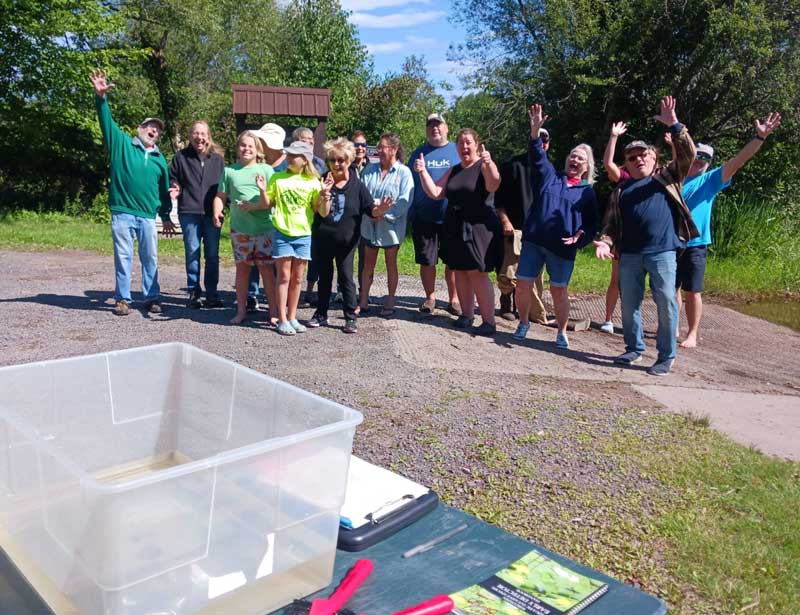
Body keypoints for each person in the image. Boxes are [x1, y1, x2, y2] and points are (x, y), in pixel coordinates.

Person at [595, 96, 698, 376]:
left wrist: (675, 125)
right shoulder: (622, 191)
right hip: (629, 255)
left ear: (654, 159)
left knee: (665, 301)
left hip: (663, 252)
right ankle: (634, 349)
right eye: (632, 157)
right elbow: (611, 225)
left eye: (644, 155)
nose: (638, 159)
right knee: (629, 305)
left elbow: (688, 154)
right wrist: (605, 243)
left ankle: (666, 356)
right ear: (625, 164)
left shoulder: (668, 177)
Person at [676, 112, 781, 348]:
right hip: (672, 241)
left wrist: (759, 138)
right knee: (672, 288)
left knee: (693, 291)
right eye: (697, 155)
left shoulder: (712, 179)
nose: (700, 160)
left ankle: (692, 333)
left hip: (696, 242)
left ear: (710, 162)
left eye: (705, 157)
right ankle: (673, 326)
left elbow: (739, 160)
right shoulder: (676, 176)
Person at [89, 69, 176, 317]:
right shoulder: (122, 144)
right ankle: (123, 299)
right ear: (140, 128)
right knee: (124, 257)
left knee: (150, 258)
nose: (154, 131)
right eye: (150, 126)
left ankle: (151, 298)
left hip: (148, 216)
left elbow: (163, 191)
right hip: (123, 213)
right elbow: (106, 121)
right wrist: (100, 98)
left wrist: (166, 215)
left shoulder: (160, 159)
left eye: (158, 130)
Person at [513, 105, 598, 348]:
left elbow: (592, 225)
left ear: (586, 167)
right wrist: (534, 131)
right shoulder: (551, 177)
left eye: (581, 158)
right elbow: (538, 157)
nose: (575, 159)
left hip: (561, 249)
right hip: (534, 242)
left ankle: (561, 332)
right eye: (573, 155)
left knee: (559, 291)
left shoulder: (587, 192)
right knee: (522, 286)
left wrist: (580, 237)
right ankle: (523, 323)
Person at [415, 128, 502, 335]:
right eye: (461, 143)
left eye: (468, 142)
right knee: (460, 272)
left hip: (478, 228)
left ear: (476, 145)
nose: (464, 147)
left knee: (477, 273)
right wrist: (422, 172)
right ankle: (466, 315)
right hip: (455, 226)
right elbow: (436, 192)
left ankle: (489, 321)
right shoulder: (454, 169)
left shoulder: (483, 165)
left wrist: (489, 164)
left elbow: (493, 184)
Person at [308, 138, 384, 334]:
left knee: (346, 277)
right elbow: (318, 211)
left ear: (349, 160)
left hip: (347, 242)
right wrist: (324, 194)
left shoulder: (357, 185)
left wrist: (380, 210)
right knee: (324, 276)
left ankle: (350, 317)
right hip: (323, 239)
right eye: (332, 160)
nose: (336, 164)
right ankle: (321, 314)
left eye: (341, 160)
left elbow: (370, 210)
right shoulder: (322, 180)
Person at [256, 141, 330, 336]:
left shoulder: (314, 182)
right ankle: (281, 319)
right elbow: (265, 204)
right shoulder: (277, 179)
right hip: (282, 233)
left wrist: (324, 196)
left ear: (304, 160)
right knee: (284, 277)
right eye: (287, 154)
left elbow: (321, 212)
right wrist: (263, 190)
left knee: (297, 279)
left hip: (303, 234)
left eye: (293, 155)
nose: (288, 158)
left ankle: (292, 316)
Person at [212, 131, 277, 325]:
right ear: (237, 149)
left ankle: (273, 311)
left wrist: (255, 205)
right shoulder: (229, 171)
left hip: (265, 229)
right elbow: (220, 196)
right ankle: (240, 311)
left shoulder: (266, 170)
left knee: (266, 270)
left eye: (251, 146)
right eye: (243, 145)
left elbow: (273, 201)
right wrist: (217, 211)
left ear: (257, 150)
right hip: (240, 230)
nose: (246, 149)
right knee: (242, 270)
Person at [494, 128, 552, 325]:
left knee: (535, 274)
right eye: (538, 140)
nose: (542, 144)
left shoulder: (549, 170)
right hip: (514, 227)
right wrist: (505, 220)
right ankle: (506, 304)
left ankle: (526, 307)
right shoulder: (512, 165)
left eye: (545, 141)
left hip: (539, 232)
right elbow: (498, 198)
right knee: (509, 270)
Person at [168, 121, 226, 308]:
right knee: (192, 253)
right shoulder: (181, 157)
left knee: (212, 255)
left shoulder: (217, 160)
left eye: (202, 134)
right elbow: (173, 178)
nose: (199, 137)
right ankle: (193, 292)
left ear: (208, 137)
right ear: (190, 136)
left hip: (212, 214)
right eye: (195, 133)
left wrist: (226, 205)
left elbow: (224, 186)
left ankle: (212, 294)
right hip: (189, 212)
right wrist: (175, 188)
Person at [408, 113, 461, 315]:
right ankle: (430, 297)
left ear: (446, 128)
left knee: (452, 261)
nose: (434, 128)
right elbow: (409, 184)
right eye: (430, 125)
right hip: (424, 217)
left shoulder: (457, 150)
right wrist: (410, 211)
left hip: (451, 216)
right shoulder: (418, 153)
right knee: (427, 260)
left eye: (438, 124)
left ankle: (453, 299)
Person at [359, 133, 414, 317]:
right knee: (368, 264)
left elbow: (404, 201)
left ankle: (390, 300)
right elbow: (362, 194)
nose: (379, 150)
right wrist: (373, 211)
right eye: (379, 147)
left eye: (383, 147)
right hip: (370, 224)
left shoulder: (404, 173)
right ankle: (363, 300)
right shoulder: (369, 169)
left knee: (391, 264)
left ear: (394, 149)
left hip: (391, 227)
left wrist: (384, 214)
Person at [246, 123, 287, 312]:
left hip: (281, 225)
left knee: (279, 267)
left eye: (261, 140)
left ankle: (279, 306)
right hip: (257, 223)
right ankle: (252, 296)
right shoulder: (258, 165)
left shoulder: (289, 165)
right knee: (256, 262)